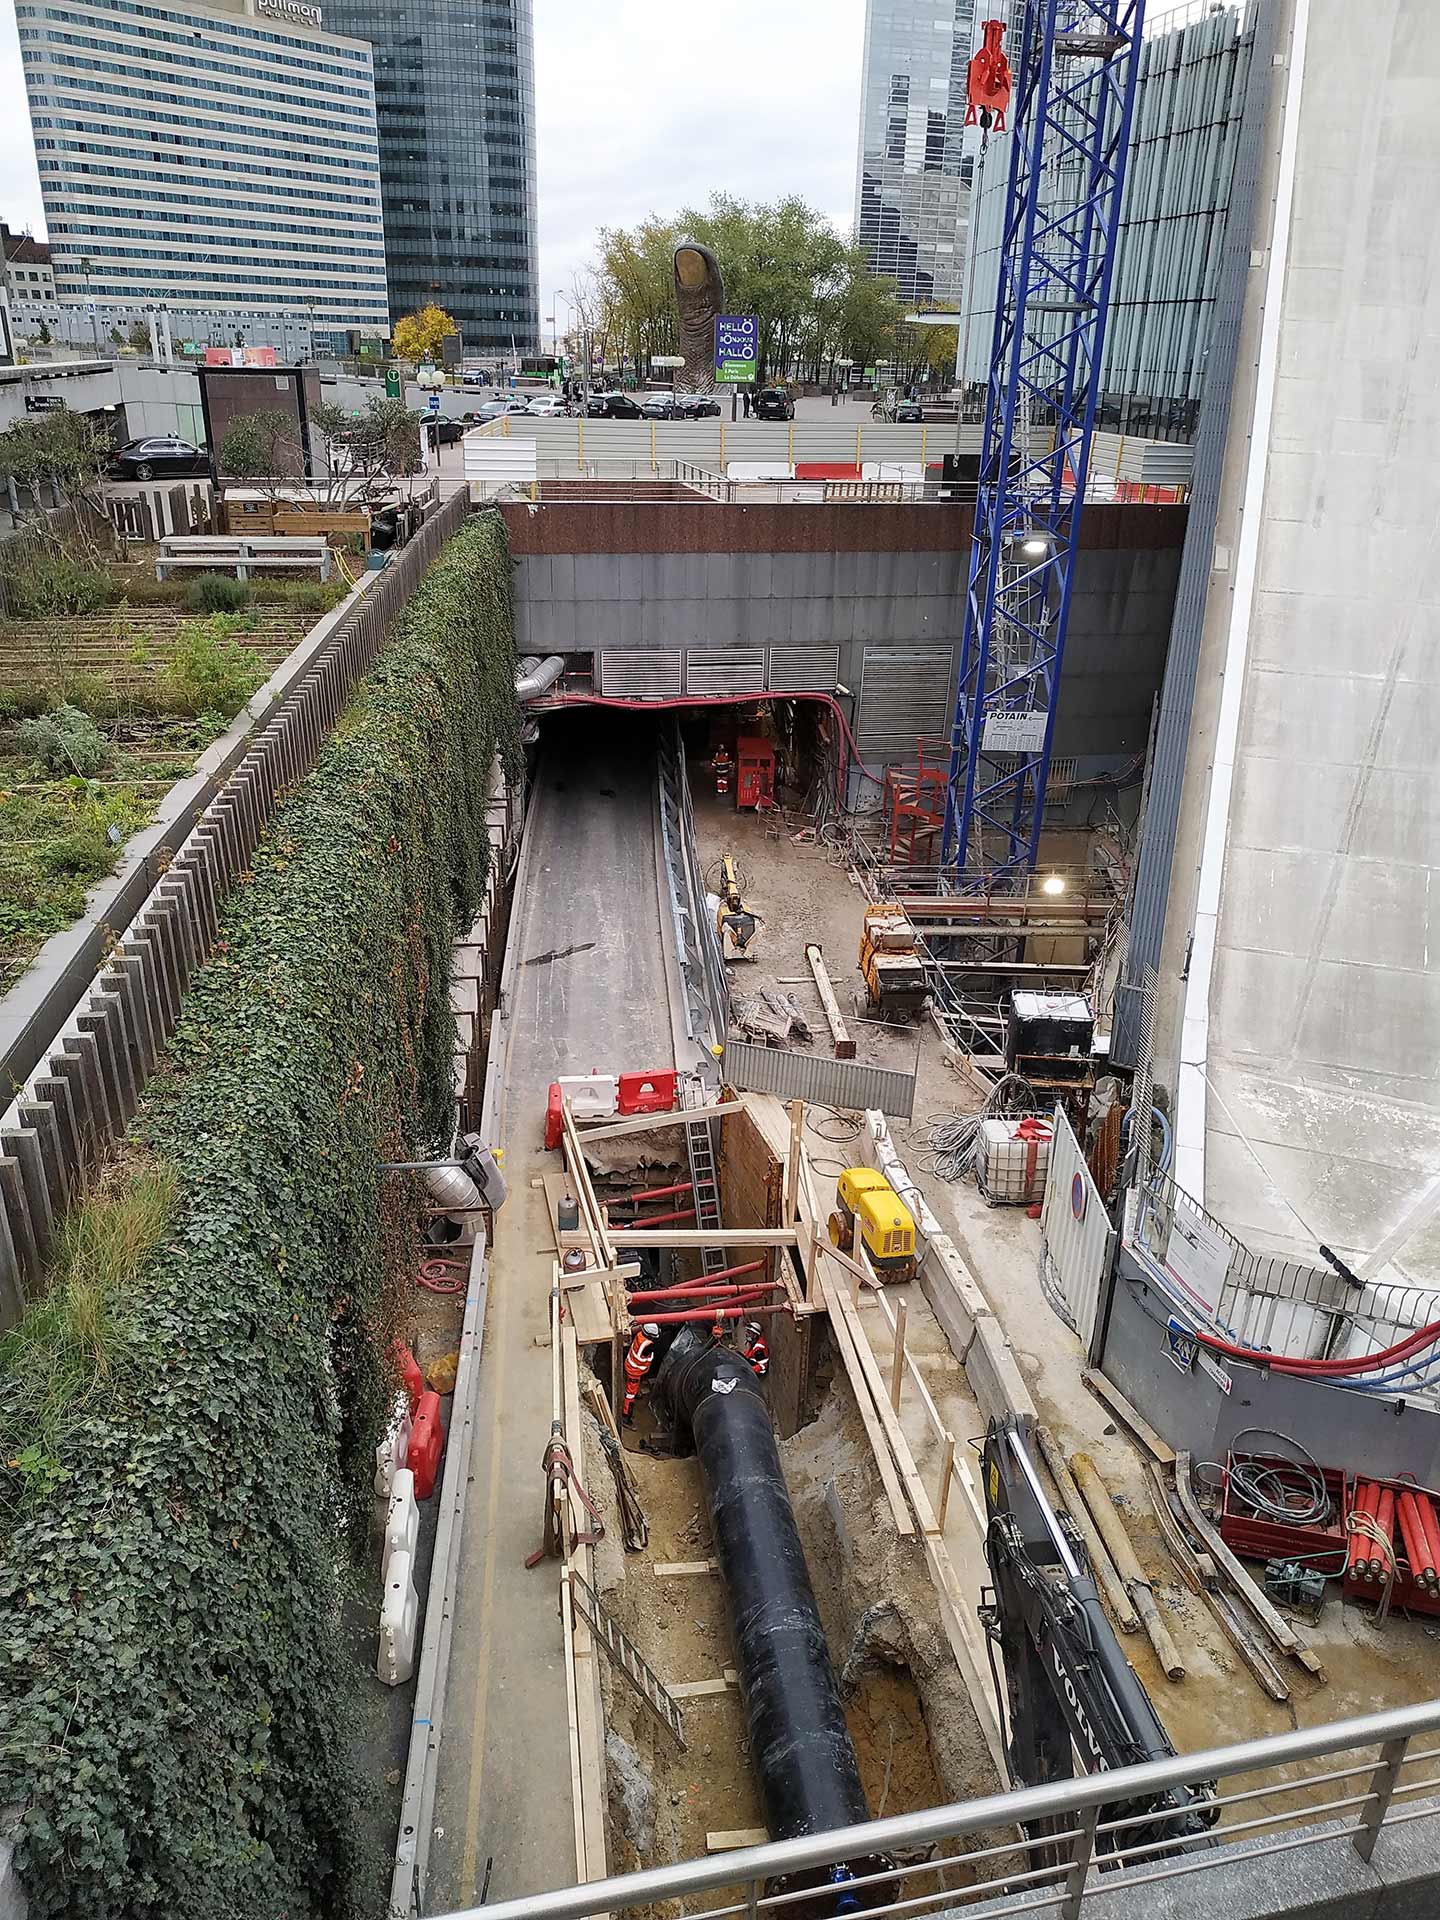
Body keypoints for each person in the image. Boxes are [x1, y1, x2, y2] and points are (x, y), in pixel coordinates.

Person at [621, 1322, 660, 1421]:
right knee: (630, 1394)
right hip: (634, 1372)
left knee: (634, 1386)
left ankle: (635, 1393)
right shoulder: (647, 1346)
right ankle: (626, 1416)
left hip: (631, 1366)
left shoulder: (640, 1335)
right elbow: (654, 1347)